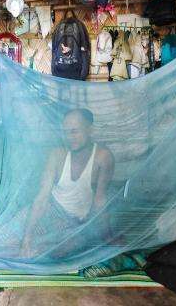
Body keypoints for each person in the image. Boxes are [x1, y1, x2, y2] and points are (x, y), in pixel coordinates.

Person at [21, 108, 114, 257]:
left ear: (90, 130)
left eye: (75, 131)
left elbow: (100, 201)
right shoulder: (57, 155)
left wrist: (109, 238)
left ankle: (38, 248)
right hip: (49, 212)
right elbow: (42, 198)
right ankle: (26, 246)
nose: (70, 137)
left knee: (64, 248)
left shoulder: (102, 157)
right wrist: (27, 237)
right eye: (66, 132)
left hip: (72, 223)